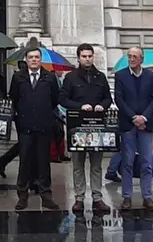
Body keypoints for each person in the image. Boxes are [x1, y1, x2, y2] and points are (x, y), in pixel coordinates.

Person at [59, 43, 112, 216]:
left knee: (96, 164)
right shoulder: (71, 77)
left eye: (90, 56)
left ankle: (97, 197)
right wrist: (81, 106)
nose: (87, 59)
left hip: (97, 125)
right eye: (84, 56)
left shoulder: (100, 77)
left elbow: (108, 98)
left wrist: (101, 106)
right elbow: (63, 99)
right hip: (78, 126)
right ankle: (79, 198)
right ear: (79, 58)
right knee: (78, 164)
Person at [8, 48, 61, 211]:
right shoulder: (18, 77)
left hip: (44, 125)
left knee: (44, 162)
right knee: (25, 162)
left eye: (37, 57)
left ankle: (46, 196)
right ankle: (22, 196)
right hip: (25, 126)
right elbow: (13, 99)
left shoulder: (50, 77)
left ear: (41, 59)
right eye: (31, 57)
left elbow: (54, 100)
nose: (34, 60)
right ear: (26, 59)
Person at [114, 46, 153, 211]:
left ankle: (147, 196)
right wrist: (134, 117)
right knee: (128, 161)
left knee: (147, 162)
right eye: (129, 56)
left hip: (146, 125)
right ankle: (127, 197)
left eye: (134, 56)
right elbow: (119, 100)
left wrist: (144, 117)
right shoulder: (120, 76)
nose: (131, 59)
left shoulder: (150, 76)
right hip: (128, 124)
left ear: (141, 59)